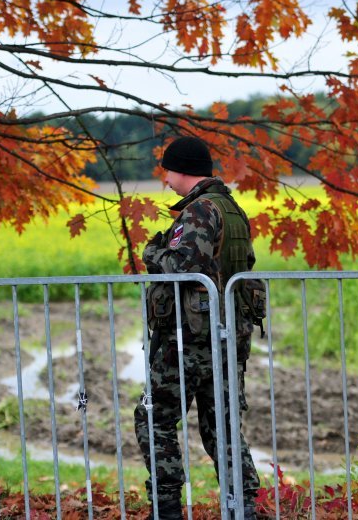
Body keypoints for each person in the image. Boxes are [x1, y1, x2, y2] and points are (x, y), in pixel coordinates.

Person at [134, 136, 260, 519]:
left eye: (168, 171)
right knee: (220, 425)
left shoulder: (200, 211)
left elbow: (180, 268)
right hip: (227, 335)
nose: (165, 179)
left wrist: (152, 251)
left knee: (153, 416)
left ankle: (167, 507)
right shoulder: (232, 208)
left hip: (191, 338)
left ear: (182, 169)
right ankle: (245, 508)